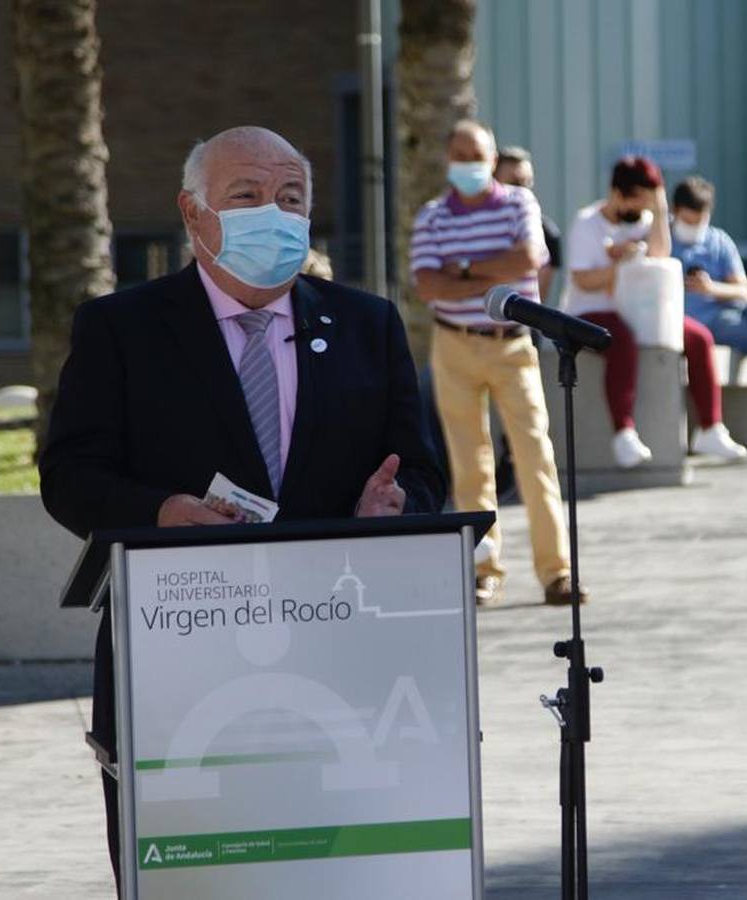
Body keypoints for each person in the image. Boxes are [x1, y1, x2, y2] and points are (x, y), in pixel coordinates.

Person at [38, 126, 445, 891]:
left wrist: (394, 505)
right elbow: (70, 475)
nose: (274, 214)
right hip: (181, 666)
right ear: (194, 215)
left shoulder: (367, 326)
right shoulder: (121, 329)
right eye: (247, 197)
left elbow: (420, 469)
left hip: (340, 660)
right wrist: (159, 512)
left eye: (290, 199)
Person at [411, 120, 583, 608]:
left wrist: (462, 269)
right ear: (448, 160)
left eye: (478, 155)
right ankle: (484, 569)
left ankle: (557, 572)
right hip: (454, 345)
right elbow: (428, 286)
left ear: (492, 159)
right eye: (461, 155)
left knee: (535, 455)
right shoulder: (431, 216)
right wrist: (492, 271)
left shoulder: (517, 202)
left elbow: (529, 258)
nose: (470, 164)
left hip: (512, 344)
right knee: (470, 464)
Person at [562, 156, 747, 468]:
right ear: (617, 194)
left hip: (638, 312)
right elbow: (583, 280)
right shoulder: (587, 223)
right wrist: (622, 265)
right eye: (637, 201)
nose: (640, 211)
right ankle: (623, 433)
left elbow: (661, 255)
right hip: (591, 312)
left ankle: (710, 428)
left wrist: (661, 209)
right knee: (621, 338)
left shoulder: (647, 220)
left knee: (699, 338)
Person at [670, 176, 747, 420]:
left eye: (699, 221)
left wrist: (711, 288)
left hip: (733, 306)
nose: (693, 227)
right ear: (674, 212)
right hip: (704, 320)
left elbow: (745, 292)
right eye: (687, 221)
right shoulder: (665, 240)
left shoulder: (719, 240)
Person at [494, 145, 561, 300]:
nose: (523, 192)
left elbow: (539, 297)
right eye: (515, 184)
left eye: (527, 184)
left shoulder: (547, 233)